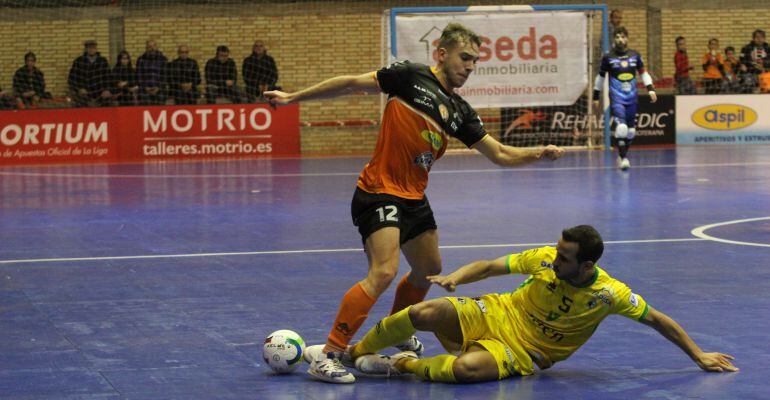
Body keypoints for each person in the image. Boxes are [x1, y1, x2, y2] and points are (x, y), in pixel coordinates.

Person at [264, 23, 564, 384]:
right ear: (441, 53)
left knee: (428, 268)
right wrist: (292, 98)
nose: (470, 66)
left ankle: (397, 331)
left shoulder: (460, 111)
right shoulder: (409, 77)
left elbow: (499, 153)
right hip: (378, 190)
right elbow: (349, 82)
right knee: (384, 271)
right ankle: (328, 354)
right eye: (464, 57)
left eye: (475, 61)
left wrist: (538, 154)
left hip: (414, 198)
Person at [348, 225, 739, 383]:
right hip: (498, 312)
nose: (555, 259)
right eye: (556, 250)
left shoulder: (609, 294)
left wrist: (698, 354)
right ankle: (353, 354)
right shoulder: (545, 260)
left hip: (523, 351)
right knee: (422, 313)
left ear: (586, 265)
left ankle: (399, 365)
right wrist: (456, 278)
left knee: (466, 371)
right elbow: (488, 267)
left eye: (564, 257)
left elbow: (658, 320)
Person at [593, 27, 656, 171]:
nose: (620, 39)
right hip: (616, 99)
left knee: (631, 131)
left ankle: (622, 155)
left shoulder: (635, 55)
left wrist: (650, 88)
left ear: (627, 38)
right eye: (617, 37)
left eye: (622, 37)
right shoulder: (608, 57)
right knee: (621, 128)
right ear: (614, 39)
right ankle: (623, 158)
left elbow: (643, 73)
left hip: (632, 98)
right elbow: (600, 77)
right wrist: (596, 95)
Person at [67, 40, 113, 107]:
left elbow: (109, 77)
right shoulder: (78, 61)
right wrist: (79, 89)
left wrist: (107, 90)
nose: (92, 49)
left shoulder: (103, 61)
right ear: (86, 49)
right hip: (84, 94)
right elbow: (71, 79)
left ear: (96, 49)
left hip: (100, 94)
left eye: (93, 48)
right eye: (89, 48)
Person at [136, 39, 168, 105]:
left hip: (159, 89)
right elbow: (139, 76)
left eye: (153, 46)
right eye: (149, 47)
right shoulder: (141, 59)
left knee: (161, 98)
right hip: (144, 89)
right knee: (144, 98)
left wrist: (158, 88)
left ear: (156, 47)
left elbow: (165, 76)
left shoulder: (163, 59)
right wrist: (146, 88)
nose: (152, 48)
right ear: (146, 48)